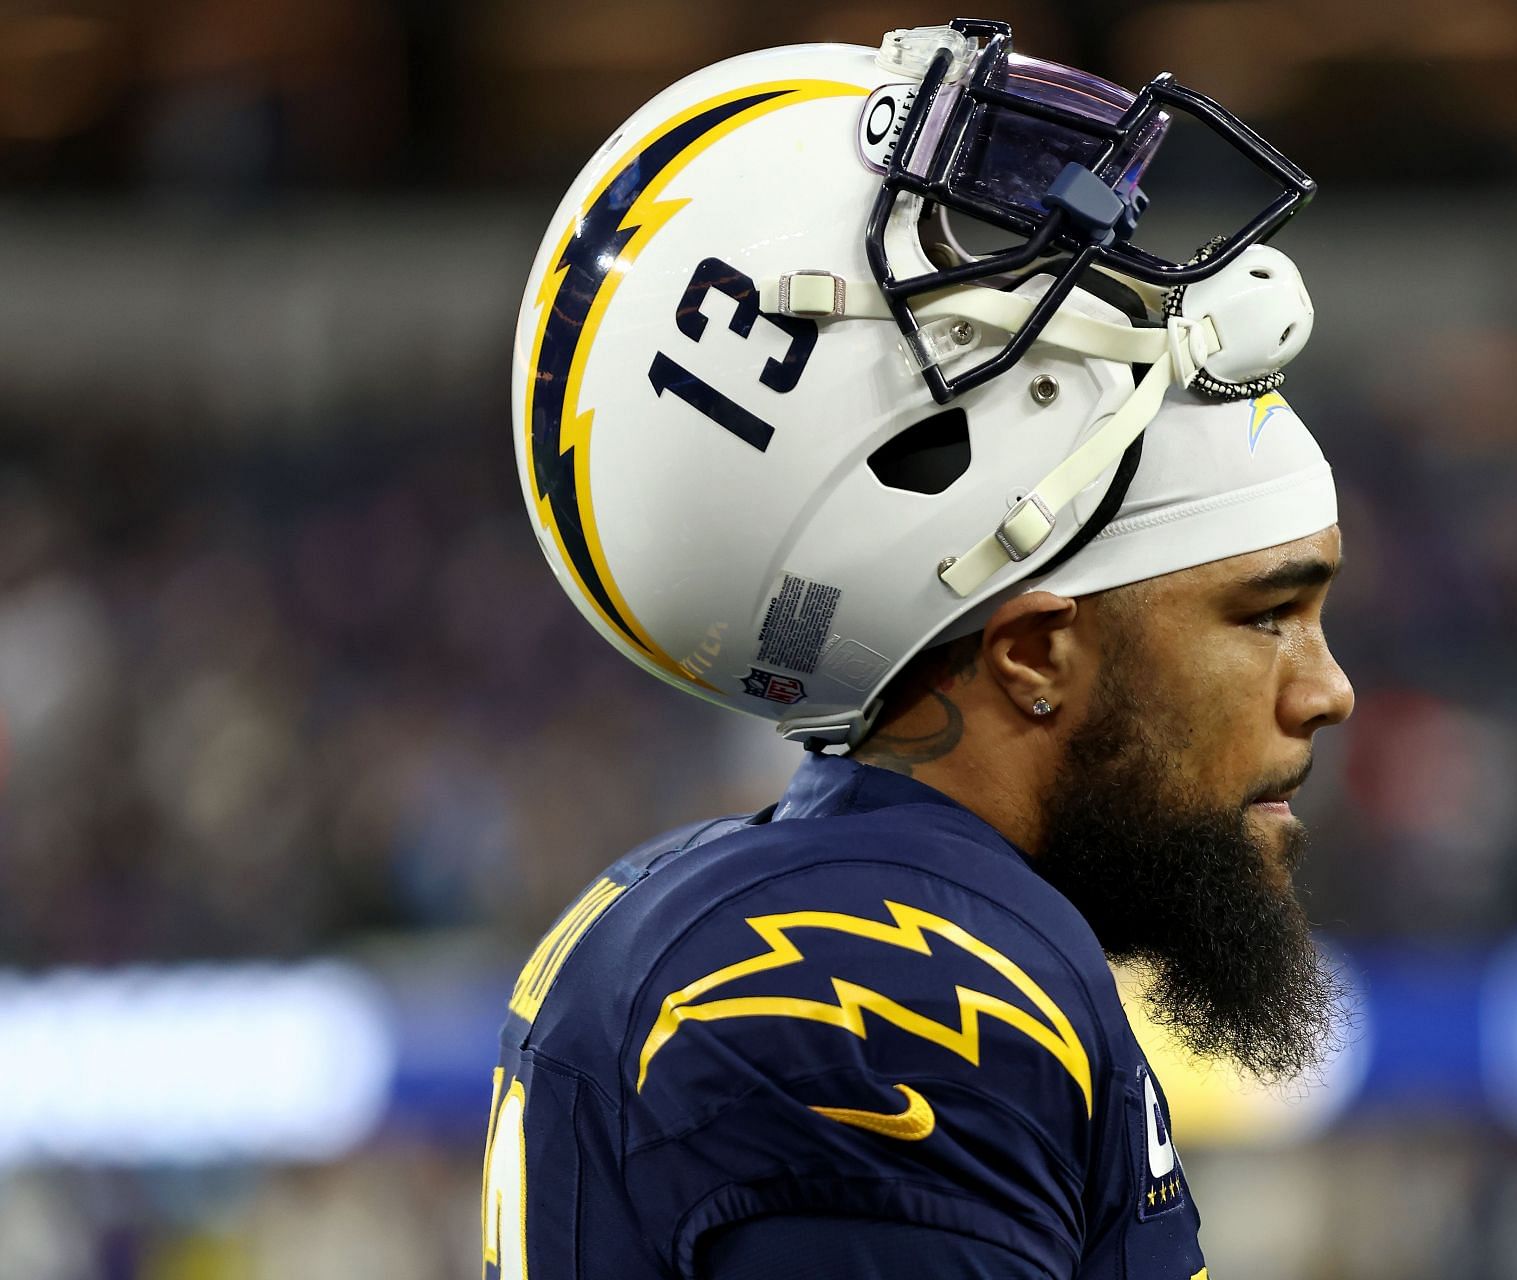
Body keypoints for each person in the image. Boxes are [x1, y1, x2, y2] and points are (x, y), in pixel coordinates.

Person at [486, 17, 1353, 1278]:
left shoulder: (748, 895)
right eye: (1263, 613)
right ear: (1032, 655)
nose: (1327, 691)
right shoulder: (886, 981)